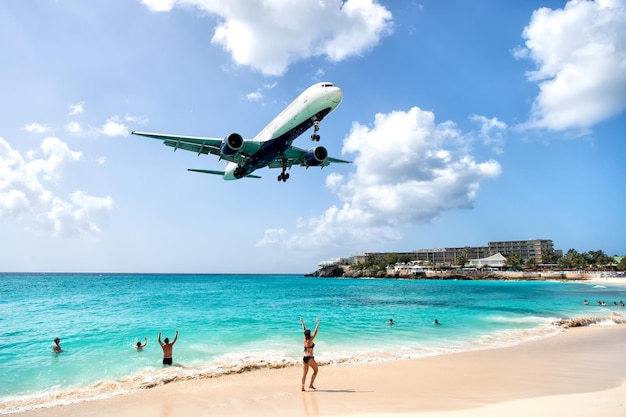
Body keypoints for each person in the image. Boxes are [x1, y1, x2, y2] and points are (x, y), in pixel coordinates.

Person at [300, 318, 320, 391]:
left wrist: (302, 322)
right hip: (310, 358)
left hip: (304, 358)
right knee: (316, 371)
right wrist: (318, 323)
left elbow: (304, 330)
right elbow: (316, 331)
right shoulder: (311, 340)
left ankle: (302, 387)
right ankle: (311, 385)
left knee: (304, 373)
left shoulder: (304, 340)